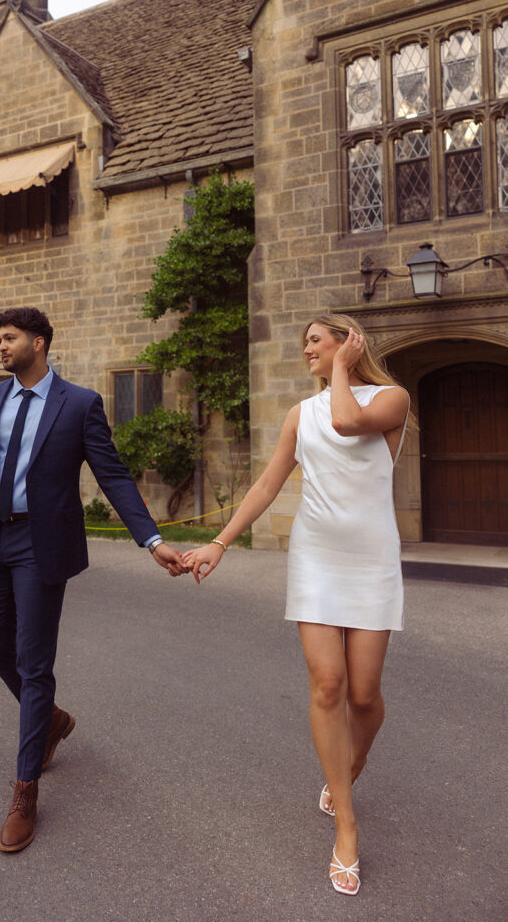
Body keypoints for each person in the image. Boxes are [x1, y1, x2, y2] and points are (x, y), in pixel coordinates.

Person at [183, 313, 409, 897]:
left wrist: (340, 369)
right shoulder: (297, 415)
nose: (306, 348)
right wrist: (219, 542)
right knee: (327, 685)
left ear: (349, 340)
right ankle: (348, 825)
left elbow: (346, 419)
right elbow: (266, 485)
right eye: (304, 341)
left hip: (372, 559)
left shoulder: (392, 398)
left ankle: (349, 770)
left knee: (364, 694)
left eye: (317, 339)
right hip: (317, 557)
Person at [0, 306, 188, 853]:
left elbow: (112, 475)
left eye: (9, 339)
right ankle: (51, 719)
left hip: (42, 545)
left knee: (35, 663)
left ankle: (25, 789)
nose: (1, 347)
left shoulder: (79, 404)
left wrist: (152, 541)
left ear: (38, 342)